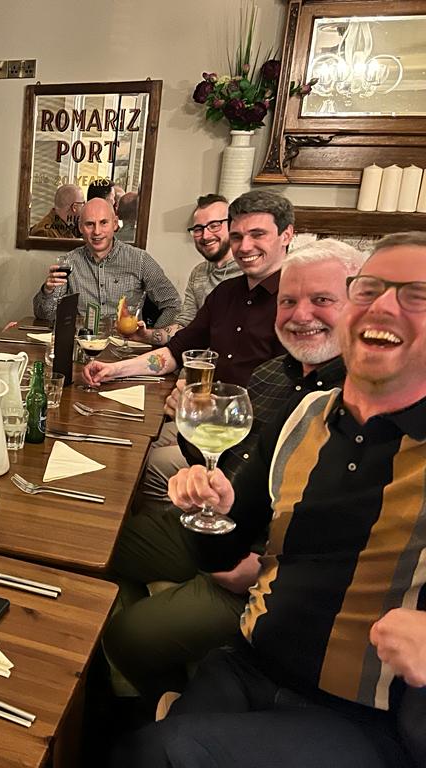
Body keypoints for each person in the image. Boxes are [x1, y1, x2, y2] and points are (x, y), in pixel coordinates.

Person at [126, 231, 426, 767]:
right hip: (250, 661)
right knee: (129, 744)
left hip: (362, 715)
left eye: (417, 295)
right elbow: (224, 547)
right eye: (370, 290)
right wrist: (206, 511)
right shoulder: (306, 414)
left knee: (163, 750)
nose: (383, 306)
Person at [102, 239, 362, 704]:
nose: (301, 314)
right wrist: (190, 427)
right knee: (104, 543)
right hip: (219, 531)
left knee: (126, 636)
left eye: (322, 300)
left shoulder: (361, 400)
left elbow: (350, 541)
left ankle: (159, 704)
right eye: (288, 300)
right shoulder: (269, 376)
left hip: (264, 575)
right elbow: (230, 465)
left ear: (360, 304)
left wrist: (259, 568)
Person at [81, 189, 293, 386]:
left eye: (258, 234)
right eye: (237, 236)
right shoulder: (224, 293)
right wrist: (113, 369)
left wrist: (208, 401)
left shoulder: (300, 299)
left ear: (286, 235)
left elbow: (291, 391)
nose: (245, 246)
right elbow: (175, 352)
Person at [32, 197, 181, 328]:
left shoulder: (140, 260)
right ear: (80, 228)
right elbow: (45, 315)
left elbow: (173, 304)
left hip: (126, 347)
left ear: (115, 224)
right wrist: (47, 291)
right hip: (84, 344)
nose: (97, 232)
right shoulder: (69, 262)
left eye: (103, 223)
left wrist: (153, 337)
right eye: (90, 224)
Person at [177, 193, 244, 329]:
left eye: (214, 225)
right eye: (198, 229)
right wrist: (147, 335)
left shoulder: (249, 271)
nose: (206, 236)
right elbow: (186, 324)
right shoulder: (199, 272)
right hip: (197, 350)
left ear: (233, 225)